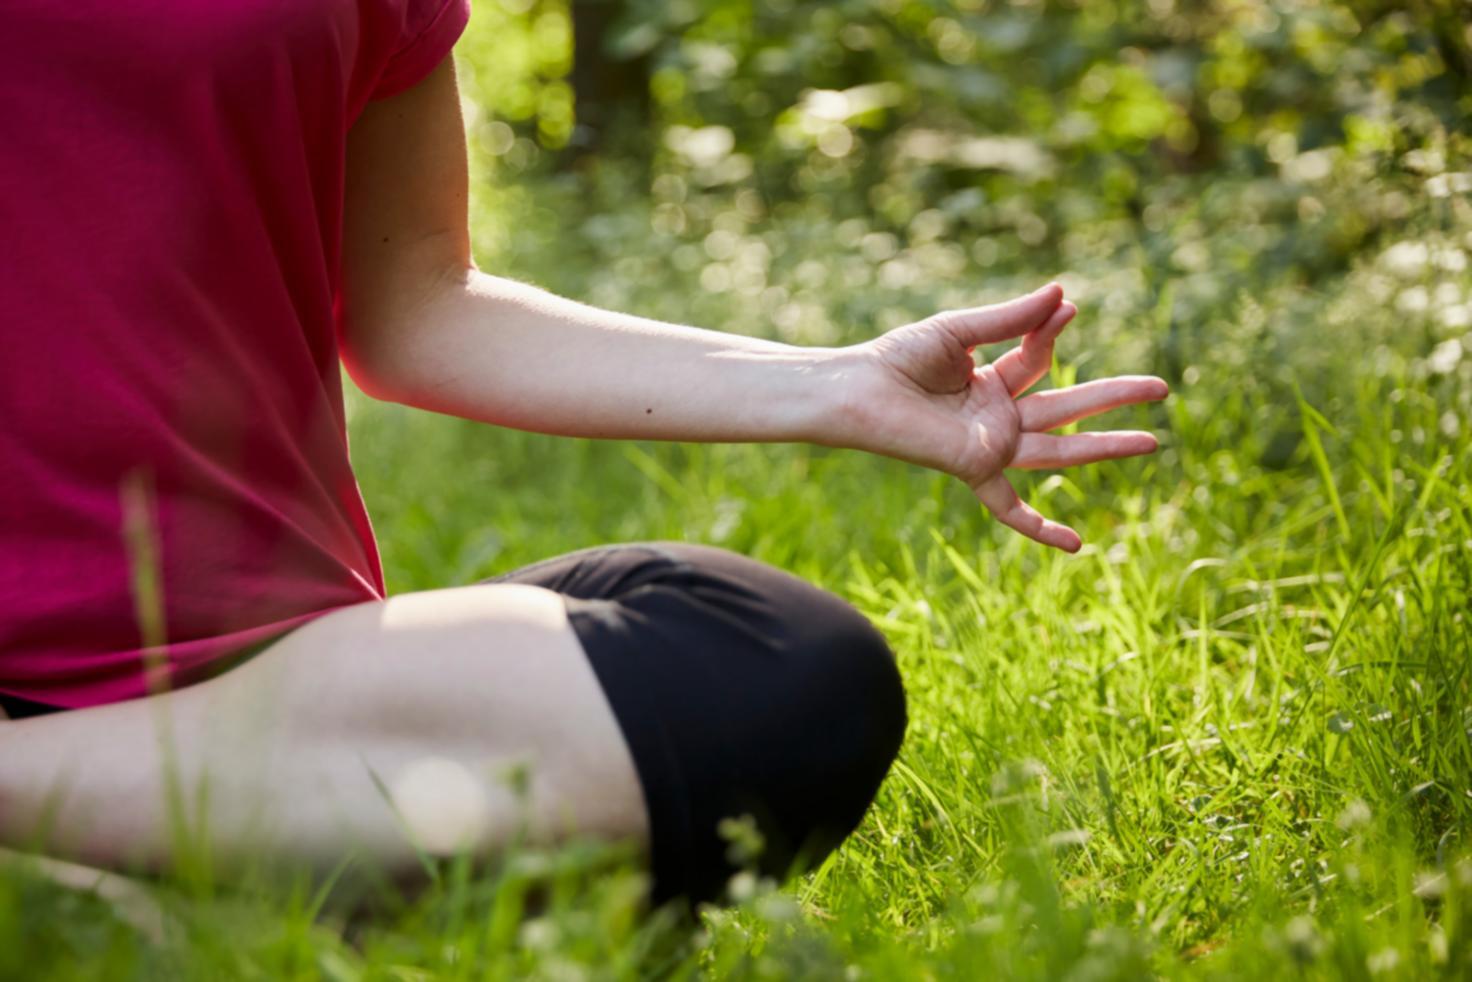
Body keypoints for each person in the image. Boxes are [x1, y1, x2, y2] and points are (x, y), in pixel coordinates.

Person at [0, 0, 1167, 906]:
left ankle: (95, 869)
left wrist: (830, 382)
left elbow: (416, 305)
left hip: (273, 682)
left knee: (781, 672)